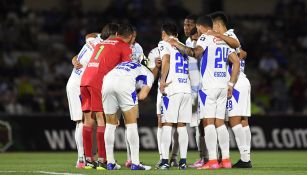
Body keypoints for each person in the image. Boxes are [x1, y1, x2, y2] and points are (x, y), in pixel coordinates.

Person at [168, 15, 240, 170]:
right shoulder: (222, 40)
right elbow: (236, 61)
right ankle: (226, 160)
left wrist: (177, 44)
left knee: (208, 123)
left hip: (208, 87)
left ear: (200, 27)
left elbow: (195, 52)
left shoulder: (205, 38)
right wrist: (231, 83)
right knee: (220, 123)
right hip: (223, 86)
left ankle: (213, 160)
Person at [80, 23, 133, 170]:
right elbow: (126, 69)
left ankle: (89, 160)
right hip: (98, 81)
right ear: (127, 36)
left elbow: (89, 38)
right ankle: (103, 160)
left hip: (85, 79)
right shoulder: (123, 46)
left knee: (87, 120)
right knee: (101, 117)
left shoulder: (100, 43)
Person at [210, 11, 252, 168]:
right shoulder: (231, 38)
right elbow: (240, 51)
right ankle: (246, 156)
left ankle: (245, 159)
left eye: (213, 26)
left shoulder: (229, 35)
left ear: (219, 25)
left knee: (234, 121)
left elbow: (234, 45)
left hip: (236, 83)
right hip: (242, 81)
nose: (212, 29)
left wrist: (218, 36)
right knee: (243, 121)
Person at [103, 60, 154, 171]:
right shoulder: (148, 73)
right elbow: (142, 95)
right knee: (131, 124)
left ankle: (110, 163)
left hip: (107, 82)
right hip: (125, 84)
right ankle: (135, 163)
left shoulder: (122, 64)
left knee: (110, 125)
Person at [158, 21, 192, 170]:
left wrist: (163, 81)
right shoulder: (182, 45)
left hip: (173, 88)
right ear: (177, 34)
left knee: (167, 124)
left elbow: (166, 59)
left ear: (164, 34)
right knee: (182, 126)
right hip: (186, 88)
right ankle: (183, 161)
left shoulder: (164, 43)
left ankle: (165, 161)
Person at [66, 33, 103, 169]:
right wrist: (75, 58)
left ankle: (88, 156)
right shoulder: (100, 43)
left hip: (84, 83)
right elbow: (90, 35)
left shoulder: (95, 41)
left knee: (88, 121)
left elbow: (89, 36)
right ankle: (81, 158)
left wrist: (75, 58)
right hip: (77, 84)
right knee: (81, 121)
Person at [184, 14, 209, 168]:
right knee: (197, 126)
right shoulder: (187, 41)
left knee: (207, 123)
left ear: (197, 26)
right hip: (192, 90)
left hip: (204, 88)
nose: (186, 27)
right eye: (185, 24)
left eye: (189, 25)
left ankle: (212, 157)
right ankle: (203, 157)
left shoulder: (203, 41)